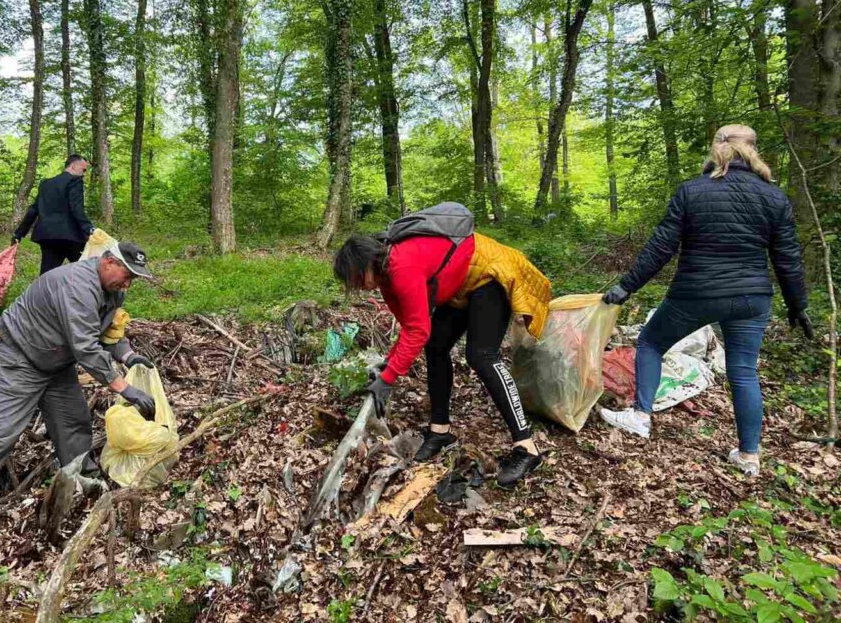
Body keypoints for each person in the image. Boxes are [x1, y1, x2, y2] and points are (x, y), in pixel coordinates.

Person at [600, 125, 812, 477]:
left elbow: (661, 247)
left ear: (717, 148)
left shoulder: (693, 190)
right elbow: (787, 258)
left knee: (651, 342)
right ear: (753, 150)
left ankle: (640, 416)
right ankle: (749, 456)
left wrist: (627, 287)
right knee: (743, 371)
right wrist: (797, 304)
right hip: (751, 298)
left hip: (696, 293)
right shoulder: (774, 197)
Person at [0, 242, 158, 534]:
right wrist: (124, 388)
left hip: (54, 360)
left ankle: (84, 482)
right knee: (1, 432)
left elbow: (108, 331)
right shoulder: (77, 286)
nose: (128, 284)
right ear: (108, 261)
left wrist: (128, 356)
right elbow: (85, 347)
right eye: (127, 275)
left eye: (134, 278)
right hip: (17, 357)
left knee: (73, 422)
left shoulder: (113, 290)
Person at [333, 224, 552, 486]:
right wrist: (388, 364)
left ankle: (527, 447)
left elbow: (417, 330)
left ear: (367, 262)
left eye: (357, 278)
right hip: (461, 285)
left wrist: (389, 378)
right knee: (436, 345)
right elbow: (412, 325)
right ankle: (440, 432)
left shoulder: (401, 266)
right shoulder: (386, 281)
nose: (358, 286)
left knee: (481, 356)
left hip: (489, 274)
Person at [13, 154, 95, 276]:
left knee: (47, 275)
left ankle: (43, 290)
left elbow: (33, 210)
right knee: (86, 272)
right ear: (73, 166)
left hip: (48, 236)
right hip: (71, 237)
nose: (84, 174)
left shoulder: (46, 184)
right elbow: (76, 208)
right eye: (83, 170)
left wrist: (19, 233)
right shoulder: (75, 181)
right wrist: (89, 229)